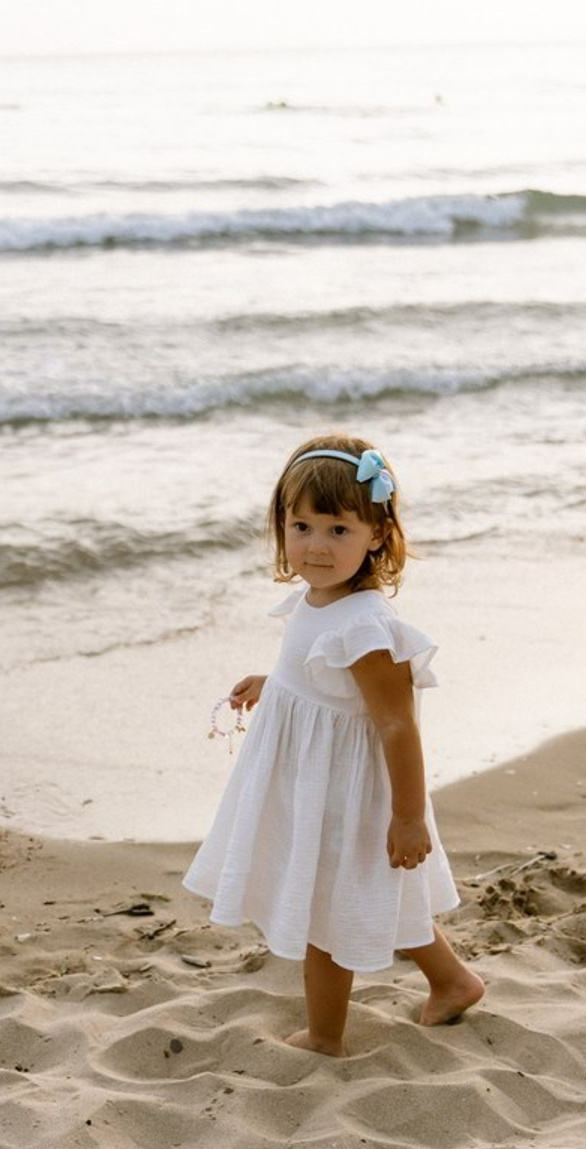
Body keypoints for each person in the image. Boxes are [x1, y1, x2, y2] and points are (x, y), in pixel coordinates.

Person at [183, 434, 484, 1057]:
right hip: (314, 781)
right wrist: (275, 684)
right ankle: (453, 981)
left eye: (338, 530)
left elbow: (397, 725)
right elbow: (325, 679)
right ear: (281, 526)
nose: (316, 546)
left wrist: (407, 817)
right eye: (302, 526)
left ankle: (324, 1037)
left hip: (348, 792)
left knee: (324, 907)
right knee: (372, 894)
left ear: (377, 535)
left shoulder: (367, 626)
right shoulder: (317, 598)